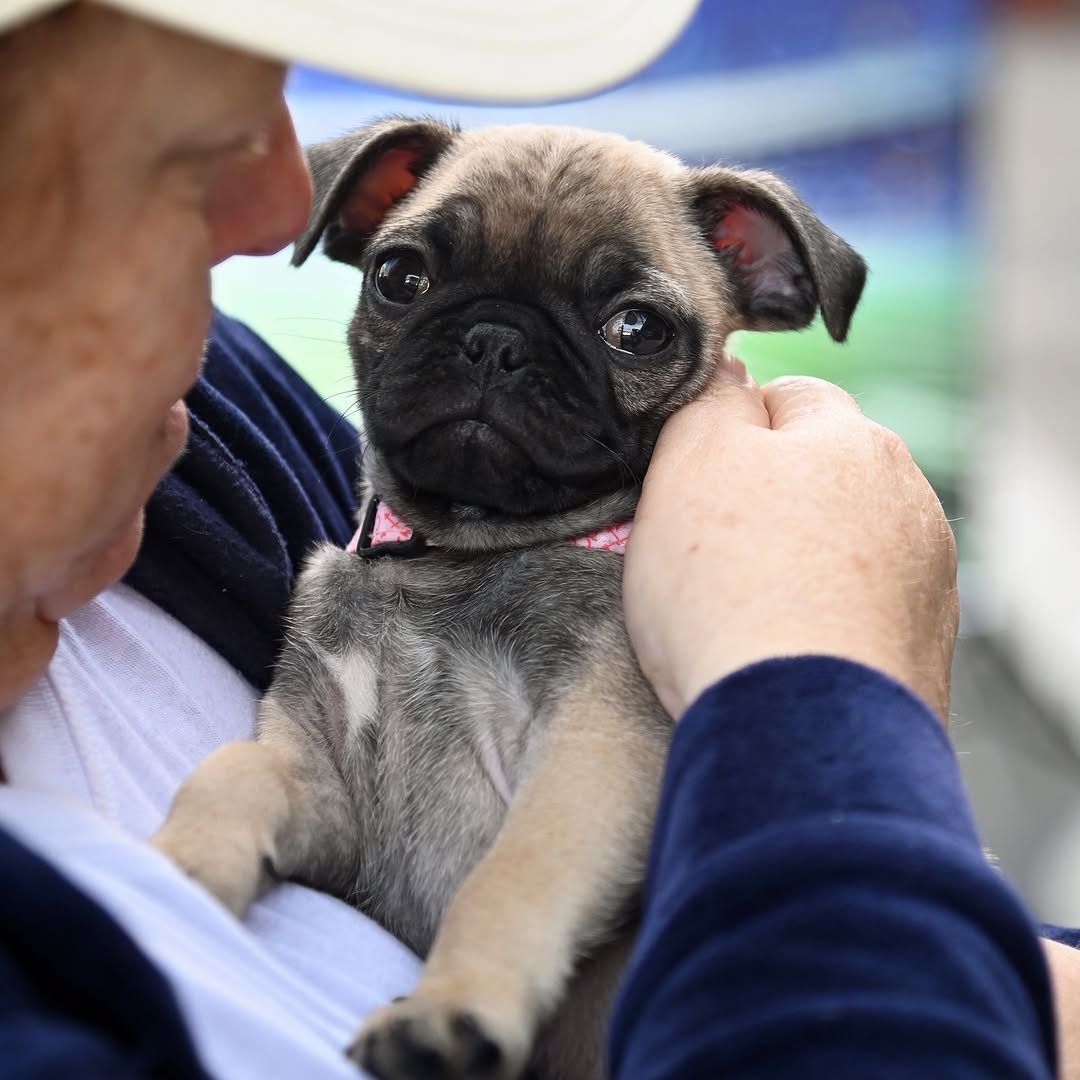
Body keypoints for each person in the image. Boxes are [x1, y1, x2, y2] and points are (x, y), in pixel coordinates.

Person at [0, 1, 1074, 1077]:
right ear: (358, 217)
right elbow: (301, 775)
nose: (495, 357)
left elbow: (608, 775)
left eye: (633, 329)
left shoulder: (234, 436)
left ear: (763, 274)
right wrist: (828, 689)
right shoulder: (335, 564)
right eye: (412, 279)